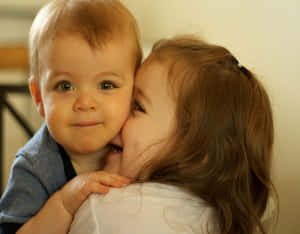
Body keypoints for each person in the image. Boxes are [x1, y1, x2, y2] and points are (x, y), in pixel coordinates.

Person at [69, 36, 278, 234]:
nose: (117, 114)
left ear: (195, 153)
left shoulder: (106, 211)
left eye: (138, 106)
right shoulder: (216, 220)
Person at [0, 0, 142, 233]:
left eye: (106, 85)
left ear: (135, 89)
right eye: (65, 86)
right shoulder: (34, 167)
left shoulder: (139, 142)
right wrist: (65, 203)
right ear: (38, 98)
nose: (85, 103)